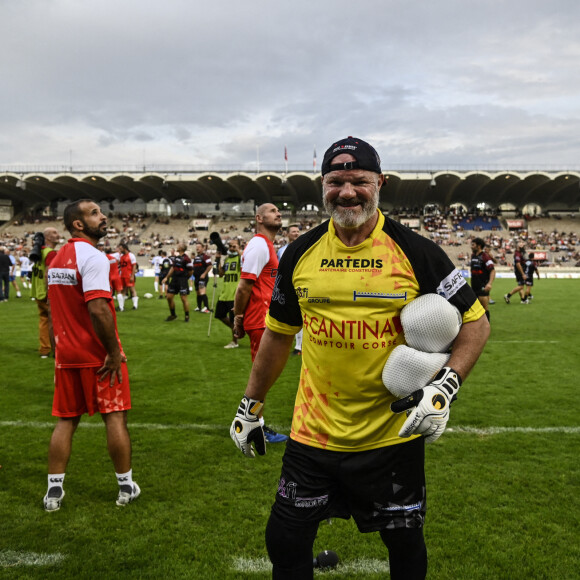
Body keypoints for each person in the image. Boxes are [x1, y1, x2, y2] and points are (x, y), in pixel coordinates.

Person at [230, 137, 490, 579]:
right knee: (285, 541)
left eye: (359, 181)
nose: (347, 191)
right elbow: (277, 336)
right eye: (336, 181)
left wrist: (445, 386)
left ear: (379, 183)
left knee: (405, 545)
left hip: (391, 435)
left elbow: (475, 323)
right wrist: (250, 405)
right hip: (313, 434)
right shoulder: (299, 253)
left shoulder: (416, 250)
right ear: (322, 185)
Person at [44, 199, 139, 511]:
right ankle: (125, 487)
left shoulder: (56, 259)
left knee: (65, 421)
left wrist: (58, 348)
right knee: (114, 417)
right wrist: (113, 353)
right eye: (95, 213)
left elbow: (54, 309)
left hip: (67, 354)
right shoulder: (94, 257)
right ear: (78, 224)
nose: (104, 216)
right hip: (98, 357)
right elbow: (98, 309)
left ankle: (53, 491)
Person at [233, 203, 288, 444]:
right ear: (259, 218)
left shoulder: (266, 245)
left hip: (264, 318)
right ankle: (254, 427)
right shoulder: (258, 244)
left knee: (264, 376)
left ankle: (254, 424)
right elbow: (244, 286)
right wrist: (238, 317)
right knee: (261, 377)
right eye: (273, 211)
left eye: (279, 211)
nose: (279, 213)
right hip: (258, 319)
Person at [30, 227, 59, 358]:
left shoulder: (39, 252)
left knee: (43, 320)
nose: (57, 235)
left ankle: (44, 350)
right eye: (54, 233)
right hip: (47, 292)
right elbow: (49, 273)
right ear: (47, 237)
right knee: (54, 321)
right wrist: (51, 293)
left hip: (37, 291)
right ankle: (55, 349)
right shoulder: (50, 253)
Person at [277, 224, 303, 355]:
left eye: (298, 231)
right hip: (287, 287)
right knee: (291, 315)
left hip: (302, 286)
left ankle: (299, 346)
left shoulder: (306, 248)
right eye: (293, 231)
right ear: (287, 234)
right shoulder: (281, 251)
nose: (296, 233)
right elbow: (278, 270)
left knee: (301, 314)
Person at [214, 239, 242, 348]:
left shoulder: (240, 259)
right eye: (230, 246)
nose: (231, 248)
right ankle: (237, 329)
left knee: (233, 319)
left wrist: (239, 252)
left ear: (238, 247)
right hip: (224, 293)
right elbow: (221, 274)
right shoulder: (227, 259)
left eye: (234, 246)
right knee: (219, 315)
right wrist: (218, 259)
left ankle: (234, 342)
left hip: (234, 294)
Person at [162, 243, 193, 322]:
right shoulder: (176, 258)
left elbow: (191, 271)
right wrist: (166, 277)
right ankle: (173, 315)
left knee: (183, 299)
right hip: (174, 280)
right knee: (169, 297)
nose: (177, 246)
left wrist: (185, 278)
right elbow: (172, 268)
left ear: (182, 248)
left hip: (182, 280)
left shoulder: (187, 259)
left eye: (179, 245)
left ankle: (187, 316)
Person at [469, 237, 495, 321]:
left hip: (483, 285)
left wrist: (489, 283)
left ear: (479, 246)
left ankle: (486, 328)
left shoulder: (485, 257)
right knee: (475, 308)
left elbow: (492, 270)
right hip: (474, 286)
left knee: (484, 308)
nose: (471, 246)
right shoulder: (473, 256)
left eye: (473, 245)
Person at [117, 243, 138, 310]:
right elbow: (122, 266)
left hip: (129, 276)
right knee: (123, 291)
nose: (120, 250)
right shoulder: (121, 256)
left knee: (132, 290)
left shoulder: (131, 255)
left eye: (121, 249)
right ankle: (121, 306)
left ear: (124, 248)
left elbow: (134, 266)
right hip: (122, 276)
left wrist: (132, 276)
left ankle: (135, 305)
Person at [192, 242, 213, 313]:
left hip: (202, 278)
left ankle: (207, 308)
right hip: (196, 278)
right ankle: (199, 307)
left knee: (202, 292)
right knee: (198, 292)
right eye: (196, 247)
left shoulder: (205, 257)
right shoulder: (196, 257)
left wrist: (204, 274)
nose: (197, 248)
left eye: (199, 247)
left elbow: (210, 266)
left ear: (203, 248)